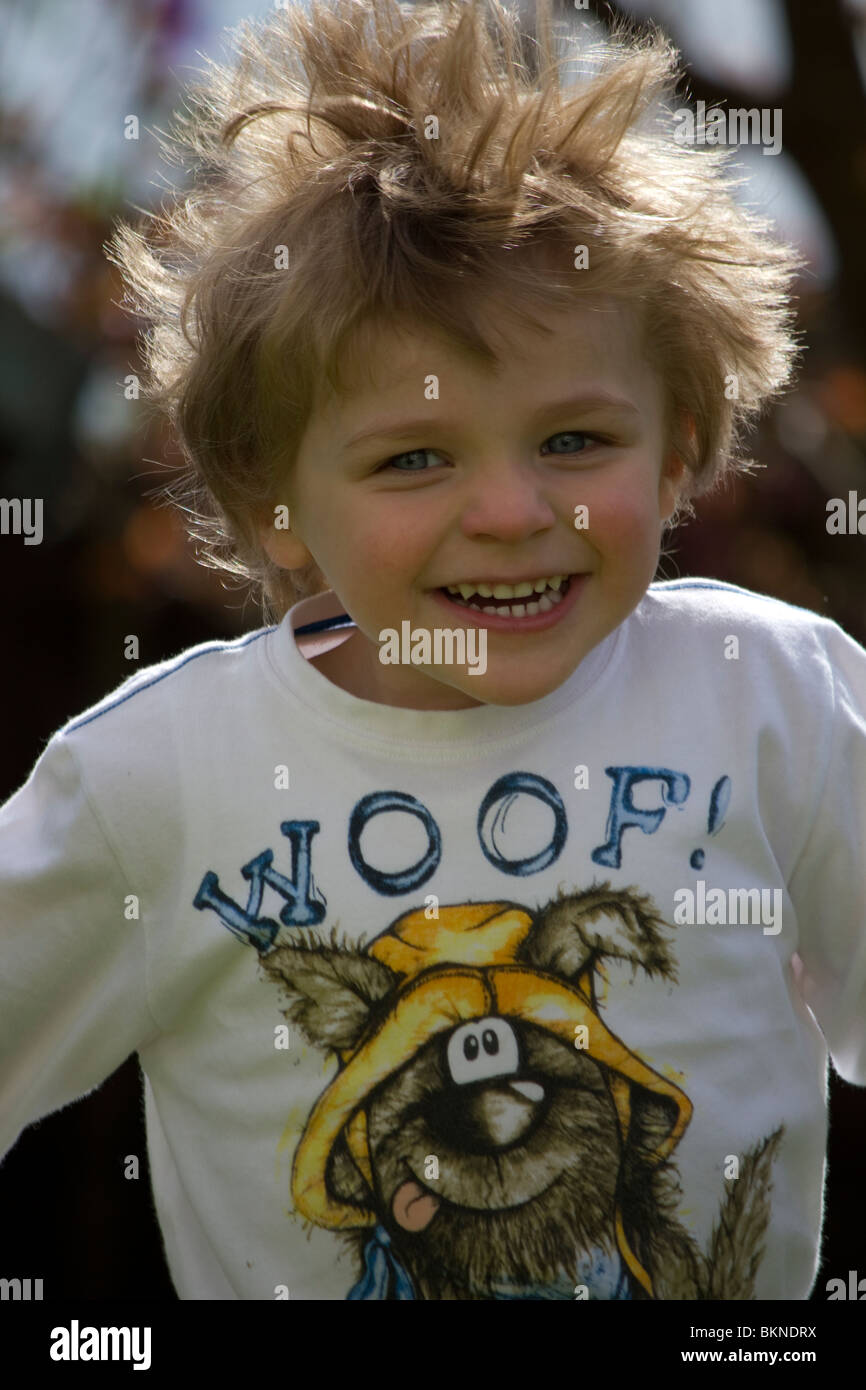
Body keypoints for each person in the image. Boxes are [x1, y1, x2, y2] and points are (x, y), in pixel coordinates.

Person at [1, 0, 863, 1301]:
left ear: (680, 442)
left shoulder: (775, 698)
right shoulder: (159, 778)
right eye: (412, 456)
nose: (513, 510)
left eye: (574, 439)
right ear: (270, 506)